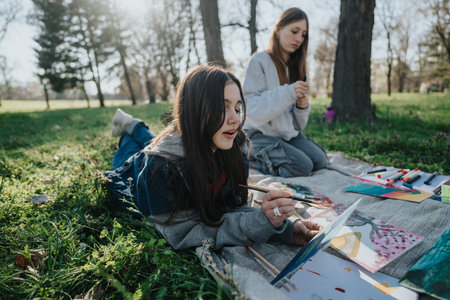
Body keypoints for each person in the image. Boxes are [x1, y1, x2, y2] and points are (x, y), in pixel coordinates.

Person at [104, 65, 321, 251]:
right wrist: (259, 222)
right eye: (222, 107)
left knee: (152, 141)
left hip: (189, 141)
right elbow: (182, 233)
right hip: (136, 171)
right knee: (136, 150)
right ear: (192, 109)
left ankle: (133, 125)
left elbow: (230, 208)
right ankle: (130, 127)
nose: (235, 119)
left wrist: (285, 229)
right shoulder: (160, 168)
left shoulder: (235, 146)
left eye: (237, 108)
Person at [242, 7, 327, 177]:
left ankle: (278, 153)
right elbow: (251, 111)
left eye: (303, 34)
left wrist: (301, 108)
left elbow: (298, 126)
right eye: (294, 31)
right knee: (302, 166)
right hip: (257, 134)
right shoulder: (259, 61)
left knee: (320, 160)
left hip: (284, 134)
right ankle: (250, 157)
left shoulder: (296, 68)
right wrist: (289, 93)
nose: (299, 39)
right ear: (279, 29)